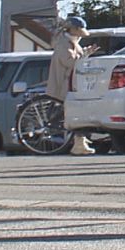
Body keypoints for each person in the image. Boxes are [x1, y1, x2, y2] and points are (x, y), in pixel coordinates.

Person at [46, 16, 99, 156]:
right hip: (64, 84)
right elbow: (70, 62)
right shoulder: (64, 43)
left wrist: (87, 52)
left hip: (69, 83)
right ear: (73, 29)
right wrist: (85, 55)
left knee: (75, 112)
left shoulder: (70, 41)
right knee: (76, 112)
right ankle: (79, 143)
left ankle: (79, 142)